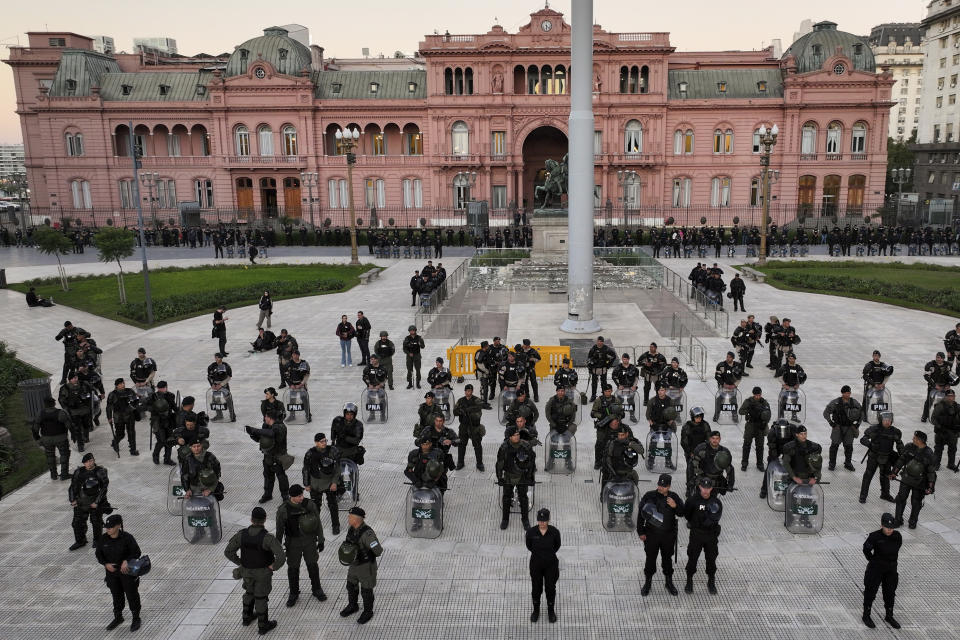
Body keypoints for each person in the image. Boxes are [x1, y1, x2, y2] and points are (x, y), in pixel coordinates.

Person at [224, 507, 286, 633]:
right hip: (262, 573)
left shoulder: (241, 535)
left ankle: (246, 617)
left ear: (251, 519)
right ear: (265, 519)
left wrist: (242, 562)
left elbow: (228, 552)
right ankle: (263, 626)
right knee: (261, 597)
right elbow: (281, 556)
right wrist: (273, 566)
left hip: (246, 571)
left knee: (249, 592)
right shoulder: (268, 538)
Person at [276, 484, 326, 607]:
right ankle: (293, 593)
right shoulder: (283, 510)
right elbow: (279, 530)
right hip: (293, 543)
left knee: (313, 565)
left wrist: (321, 539)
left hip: (309, 541)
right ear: (292, 497)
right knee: (293, 568)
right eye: (299, 496)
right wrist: (277, 548)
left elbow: (318, 522)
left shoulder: (309, 505)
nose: (302, 497)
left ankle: (317, 589)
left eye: (302, 495)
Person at [638, 474, 684, 597]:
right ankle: (648, 583)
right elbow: (641, 514)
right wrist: (641, 532)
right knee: (650, 559)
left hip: (667, 536)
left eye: (663, 486)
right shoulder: (649, 496)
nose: (660, 487)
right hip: (651, 535)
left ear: (669, 486)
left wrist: (675, 506)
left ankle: (668, 582)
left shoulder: (673, 497)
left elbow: (682, 513)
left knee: (667, 560)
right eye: (659, 485)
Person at [95, 514, 143, 632]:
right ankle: (118, 617)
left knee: (131, 595)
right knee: (116, 595)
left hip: (126, 572)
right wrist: (106, 564)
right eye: (107, 527)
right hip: (112, 573)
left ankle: (136, 617)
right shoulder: (103, 539)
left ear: (118, 526)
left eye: (110, 527)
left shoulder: (127, 538)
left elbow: (137, 552)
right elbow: (98, 554)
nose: (108, 529)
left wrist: (126, 561)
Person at [338, 506, 383, 624]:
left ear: (357, 519)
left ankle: (368, 612)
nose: (348, 518)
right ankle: (353, 606)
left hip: (366, 567)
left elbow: (378, 551)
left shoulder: (368, 534)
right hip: (354, 565)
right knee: (351, 585)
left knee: (366, 590)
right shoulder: (351, 528)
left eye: (350, 517)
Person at [861, 513, 903, 629]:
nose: (889, 530)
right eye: (887, 527)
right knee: (870, 591)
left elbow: (896, 549)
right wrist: (873, 561)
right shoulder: (874, 536)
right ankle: (866, 615)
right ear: (881, 526)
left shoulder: (897, 536)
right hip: (876, 569)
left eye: (891, 528)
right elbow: (866, 549)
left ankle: (889, 615)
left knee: (890, 592)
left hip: (891, 569)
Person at [683, 477, 723, 595]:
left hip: (711, 535)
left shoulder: (716, 502)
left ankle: (711, 581)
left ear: (711, 488)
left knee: (711, 559)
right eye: (703, 488)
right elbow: (687, 515)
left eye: (708, 488)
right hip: (697, 534)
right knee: (692, 558)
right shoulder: (692, 500)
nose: (705, 490)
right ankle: (689, 580)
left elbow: (717, 517)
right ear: (699, 487)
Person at [891, 431, 937, 529]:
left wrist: (930, 486)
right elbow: (901, 460)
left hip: (920, 482)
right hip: (906, 479)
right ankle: (898, 520)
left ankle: (913, 521)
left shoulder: (929, 453)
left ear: (920, 441)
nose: (913, 439)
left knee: (916, 502)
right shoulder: (909, 447)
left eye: (915, 438)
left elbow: (931, 472)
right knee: (901, 498)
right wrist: (894, 472)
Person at [68, 452, 110, 551]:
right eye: (87, 462)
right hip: (81, 501)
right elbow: (72, 486)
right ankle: (80, 541)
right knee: (77, 522)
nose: (90, 463)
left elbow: (104, 488)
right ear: (84, 463)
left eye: (91, 461)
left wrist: (97, 502)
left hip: (94, 501)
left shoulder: (100, 471)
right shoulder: (79, 472)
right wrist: (72, 499)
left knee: (96, 522)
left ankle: (97, 540)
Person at [302, 432, 342, 535]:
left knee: (333, 505)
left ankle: (336, 525)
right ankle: (315, 526)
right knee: (315, 506)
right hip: (316, 483)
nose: (324, 443)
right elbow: (306, 469)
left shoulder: (332, 451)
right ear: (316, 442)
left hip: (329, 482)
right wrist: (307, 484)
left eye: (325, 441)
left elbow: (338, 468)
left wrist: (334, 482)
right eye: (321, 441)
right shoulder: (310, 454)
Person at [247, 412, 291, 504]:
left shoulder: (280, 426)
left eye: (266, 416)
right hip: (268, 457)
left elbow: (271, 434)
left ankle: (285, 496)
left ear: (270, 418)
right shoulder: (266, 426)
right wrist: (252, 434)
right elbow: (261, 438)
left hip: (279, 457)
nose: (264, 418)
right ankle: (267, 494)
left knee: (281, 477)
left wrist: (256, 430)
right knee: (268, 477)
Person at [859, 412, 903, 504]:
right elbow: (863, 439)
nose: (887, 422)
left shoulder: (895, 431)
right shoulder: (874, 429)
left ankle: (885, 494)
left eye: (889, 420)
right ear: (881, 420)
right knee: (868, 476)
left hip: (887, 457)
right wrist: (870, 445)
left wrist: (902, 457)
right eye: (885, 420)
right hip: (874, 457)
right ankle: (863, 496)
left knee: (885, 476)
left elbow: (899, 445)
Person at [497, 426, 536, 529]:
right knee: (506, 498)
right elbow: (500, 463)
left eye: (518, 434)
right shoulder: (504, 447)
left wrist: (531, 477)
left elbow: (531, 462)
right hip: (509, 475)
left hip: (522, 476)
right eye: (514, 435)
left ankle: (525, 519)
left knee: (523, 498)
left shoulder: (526, 446)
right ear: (509, 437)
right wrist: (499, 477)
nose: (517, 436)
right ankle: (505, 519)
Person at [526, 508, 561, 623]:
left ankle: (551, 611)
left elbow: (557, 546)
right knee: (536, 588)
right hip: (536, 564)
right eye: (540, 520)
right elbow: (529, 546)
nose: (542, 523)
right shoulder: (531, 532)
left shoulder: (555, 532)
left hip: (551, 564)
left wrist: (547, 555)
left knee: (550, 588)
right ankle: (536, 611)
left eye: (544, 520)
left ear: (548, 520)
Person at [824, 385, 863, 471]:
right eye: (846, 393)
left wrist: (858, 424)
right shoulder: (835, 402)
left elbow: (862, 413)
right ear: (842, 393)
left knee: (849, 447)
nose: (848, 394)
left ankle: (848, 463)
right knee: (834, 446)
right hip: (838, 427)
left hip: (849, 428)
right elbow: (826, 412)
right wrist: (831, 423)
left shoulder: (854, 402)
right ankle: (832, 464)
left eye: (849, 393)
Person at [32, 396, 72, 480]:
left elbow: (35, 428)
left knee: (50, 456)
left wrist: (37, 438)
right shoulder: (60, 413)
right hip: (61, 438)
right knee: (64, 454)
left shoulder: (40, 413)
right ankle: (64, 474)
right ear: (54, 403)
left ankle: (53, 475)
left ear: (45, 405)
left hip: (46, 439)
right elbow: (69, 425)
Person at [689, 432, 735, 497]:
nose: (715, 440)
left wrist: (730, 484)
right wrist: (691, 479)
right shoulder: (701, 449)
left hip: (716, 480)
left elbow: (729, 468)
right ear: (709, 439)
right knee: (699, 498)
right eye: (713, 438)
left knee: (713, 499)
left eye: (717, 438)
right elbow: (692, 464)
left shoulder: (724, 452)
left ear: (720, 439)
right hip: (703, 478)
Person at [58, 372, 94, 452]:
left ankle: (86, 436)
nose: (75, 379)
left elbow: (91, 391)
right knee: (77, 428)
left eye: (76, 377)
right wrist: (66, 409)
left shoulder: (83, 384)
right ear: (70, 379)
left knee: (86, 424)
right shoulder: (65, 388)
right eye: (73, 378)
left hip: (84, 409)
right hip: (74, 412)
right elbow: (61, 400)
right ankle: (80, 445)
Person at [591, 385, 625, 469]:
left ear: (612, 391)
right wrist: (602, 416)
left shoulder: (616, 400)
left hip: (614, 425)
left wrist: (616, 418)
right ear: (603, 391)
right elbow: (593, 413)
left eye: (609, 391)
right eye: (606, 391)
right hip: (603, 425)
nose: (608, 393)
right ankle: (598, 462)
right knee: (599, 444)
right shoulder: (599, 400)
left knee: (616, 443)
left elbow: (622, 413)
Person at [738, 386, 771, 471]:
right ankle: (744, 463)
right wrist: (749, 411)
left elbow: (768, 414)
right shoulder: (748, 401)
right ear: (753, 394)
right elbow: (740, 411)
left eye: (759, 395)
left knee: (760, 446)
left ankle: (760, 464)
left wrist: (764, 422)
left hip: (760, 426)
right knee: (746, 445)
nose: (757, 397)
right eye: (756, 395)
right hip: (750, 425)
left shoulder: (764, 402)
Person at [454, 383, 485, 471]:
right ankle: (460, 462)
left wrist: (469, 411)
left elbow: (479, 411)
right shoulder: (460, 401)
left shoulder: (477, 400)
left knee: (477, 445)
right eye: (467, 391)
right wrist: (461, 411)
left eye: (470, 391)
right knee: (461, 445)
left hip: (474, 427)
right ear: (465, 391)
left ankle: (479, 463)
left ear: (472, 391)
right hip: (463, 426)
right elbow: (454, 412)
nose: (469, 392)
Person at [106, 377, 140, 456]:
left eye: (123, 383)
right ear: (116, 385)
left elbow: (136, 401)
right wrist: (109, 417)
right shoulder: (112, 394)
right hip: (119, 417)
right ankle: (115, 443)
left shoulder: (130, 391)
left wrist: (134, 407)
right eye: (121, 384)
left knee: (131, 433)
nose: (123, 385)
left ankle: (133, 450)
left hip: (129, 416)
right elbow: (109, 407)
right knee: (120, 434)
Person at [147, 381, 177, 466]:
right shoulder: (153, 396)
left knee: (170, 440)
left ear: (166, 387)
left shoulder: (171, 396)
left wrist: (180, 414)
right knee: (161, 441)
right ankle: (155, 455)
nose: (162, 390)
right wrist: (154, 408)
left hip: (168, 420)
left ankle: (167, 459)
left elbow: (174, 407)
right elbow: (147, 406)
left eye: (163, 388)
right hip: (157, 422)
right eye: (160, 388)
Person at [932, 388, 960, 471]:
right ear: (945, 397)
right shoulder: (940, 406)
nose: (951, 398)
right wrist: (939, 426)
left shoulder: (957, 407)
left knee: (953, 449)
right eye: (949, 396)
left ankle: (951, 464)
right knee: (938, 449)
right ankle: (936, 464)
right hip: (941, 432)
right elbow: (933, 418)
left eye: (952, 396)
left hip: (953, 433)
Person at [775, 353, 807, 421]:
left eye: (792, 358)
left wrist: (798, 384)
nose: (791, 360)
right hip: (785, 388)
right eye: (790, 358)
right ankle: (781, 417)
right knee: (782, 403)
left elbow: (802, 376)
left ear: (795, 359)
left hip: (794, 388)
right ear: (788, 359)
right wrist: (784, 384)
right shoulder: (784, 367)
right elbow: (779, 377)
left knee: (794, 403)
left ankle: (794, 417)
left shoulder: (798, 368)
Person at [713, 352, 743, 422]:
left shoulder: (737, 366)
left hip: (733, 387)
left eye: (729, 357)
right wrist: (723, 384)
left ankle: (734, 415)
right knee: (719, 400)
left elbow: (739, 377)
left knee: (733, 401)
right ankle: (716, 415)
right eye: (727, 357)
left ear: (733, 358)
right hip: (723, 387)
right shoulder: (721, 365)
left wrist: (734, 385)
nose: (727, 358)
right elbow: (717, 376)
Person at [206, 352, 236, 422]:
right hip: (215, 386)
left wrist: (221, 384)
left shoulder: (226, 366)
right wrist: (212, 385)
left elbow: (229, 376)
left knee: (228, 400)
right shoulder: (211, 366)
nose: (216, 359)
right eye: (215, 357)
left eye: (218, 357)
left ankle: (232, 415)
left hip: (224, 385)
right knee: (216, 400)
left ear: (221, 358)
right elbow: (209, 377)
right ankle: (219, 415)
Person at [586, 336, 617, 402]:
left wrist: (608, 365)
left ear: (603, 342)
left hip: (603, 369)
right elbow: (588, 358)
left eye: (601, 341)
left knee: (604, 383)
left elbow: (614, 356)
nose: (600, 343)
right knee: (594, 383)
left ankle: (604, 395)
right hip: (595, 369)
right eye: (599, 341)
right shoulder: (593, 348)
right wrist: (590, 368)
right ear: (597, 341)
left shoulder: (606, 348)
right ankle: (593, 396)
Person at [637, 343, 666, 407]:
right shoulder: (646, 354)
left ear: (656, 348)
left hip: (657, 375)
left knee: (658, 388)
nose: (651, 348)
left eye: (652, 347)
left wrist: (659, 369)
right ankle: (646, 401)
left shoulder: (660, 356)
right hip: (648, 374)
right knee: (646, 388)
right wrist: (645, 364)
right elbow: (639, 361)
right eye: (650, 347)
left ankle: (658, 400)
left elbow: (664, 364)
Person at [474, 341, 497, 408]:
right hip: (482, 373)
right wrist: (486, 371)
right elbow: (479, 364)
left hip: (486, 373)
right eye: (488, 346)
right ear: (485, 346)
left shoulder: (486, 352)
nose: (489, 347)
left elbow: (488, 362)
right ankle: (483, 403)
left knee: (485, 387)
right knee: (484, 388)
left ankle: (484, 401)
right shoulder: (480, 352)